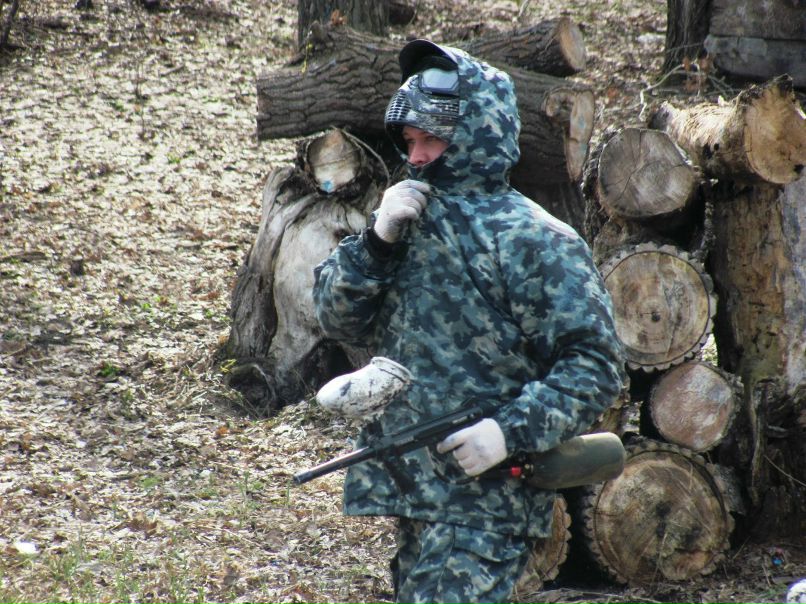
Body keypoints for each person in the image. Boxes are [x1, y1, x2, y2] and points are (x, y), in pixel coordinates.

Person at [312, 39, 624, 604]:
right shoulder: (402, 220)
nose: (419, 155)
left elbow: (596, 367)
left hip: (486, 504)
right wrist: (377, 244)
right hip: (414, 492)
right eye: (410, 140)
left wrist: (509, 431)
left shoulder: (534, 238)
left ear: (476, 131)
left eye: (432, 138)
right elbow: (335, 318)